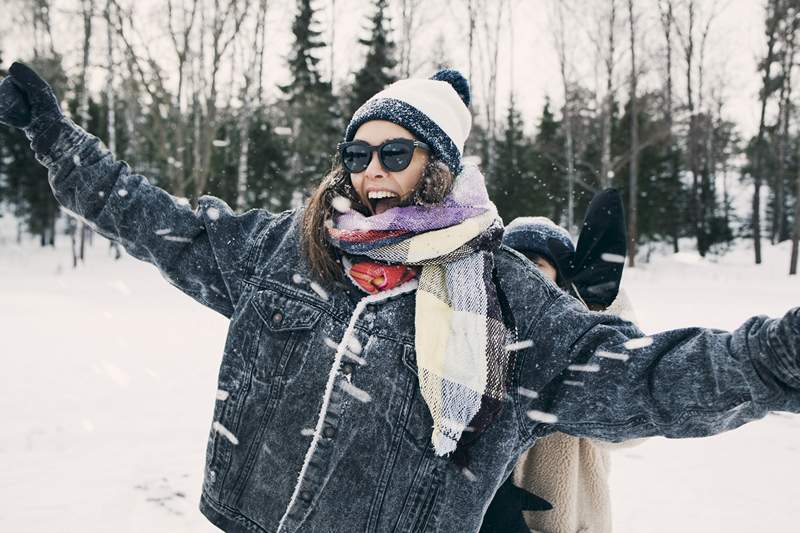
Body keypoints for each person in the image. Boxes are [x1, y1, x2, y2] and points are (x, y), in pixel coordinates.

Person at [1, 63, 798, 533]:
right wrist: (58, 143)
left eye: (394, 150)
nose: (370, 168)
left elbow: (648, 378)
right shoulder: (292, 251)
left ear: (438, 166)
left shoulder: (503, 299)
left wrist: (774, 358)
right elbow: (161, 224)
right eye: (357, 150)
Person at [482, 191, 633, 533]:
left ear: (561, 278)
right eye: (510, 261)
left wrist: (600, 310)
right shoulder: (475, 337)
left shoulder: (582, 343)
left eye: (535, 264)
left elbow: (627, 428)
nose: (519, 274)